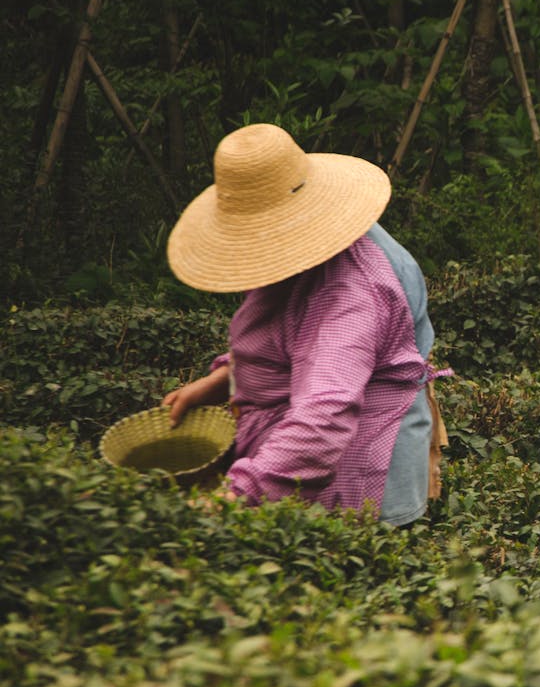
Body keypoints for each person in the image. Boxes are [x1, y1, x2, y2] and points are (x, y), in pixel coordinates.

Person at [162, 122, 444, 526]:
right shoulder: (314, 249)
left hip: (356, 472)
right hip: (313, 449)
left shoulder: (348, 294)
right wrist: (222, 379)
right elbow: (291, 331)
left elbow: (322, 417)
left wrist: (232, 499)